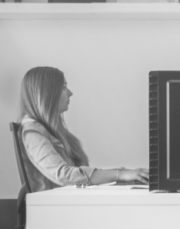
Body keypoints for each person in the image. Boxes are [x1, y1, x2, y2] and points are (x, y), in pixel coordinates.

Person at [18, 66, 147, 190]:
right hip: (52, 204)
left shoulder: (50, 130)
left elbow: (78, 175)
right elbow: (64, 175)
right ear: (47, 93)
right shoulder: (32, 132)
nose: (70, 93)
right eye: (64, 87)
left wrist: (125, 174)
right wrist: (120, 175)